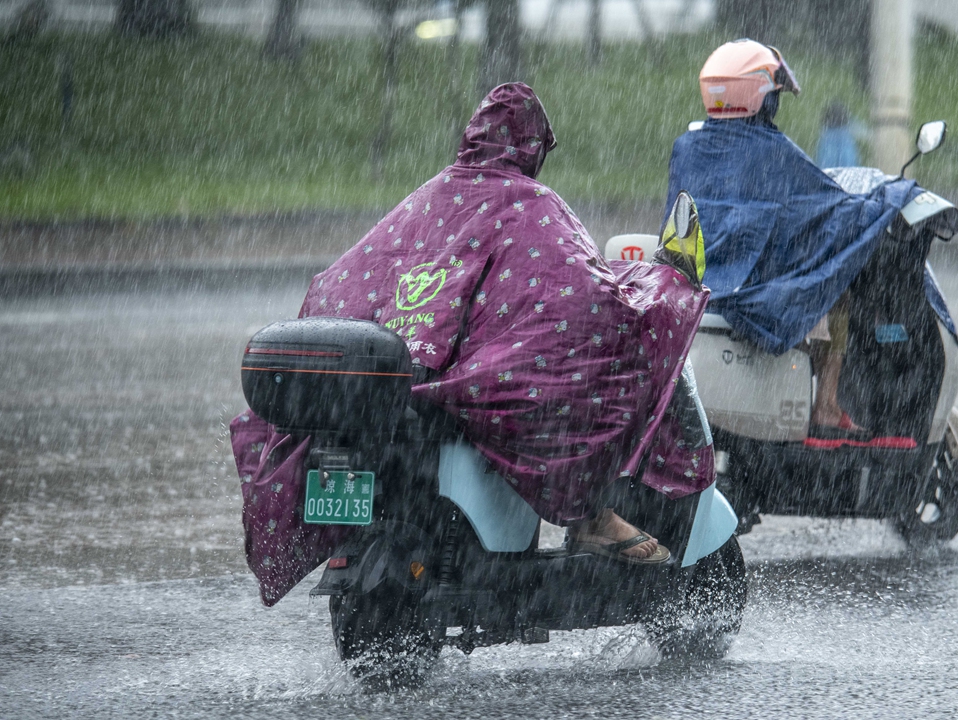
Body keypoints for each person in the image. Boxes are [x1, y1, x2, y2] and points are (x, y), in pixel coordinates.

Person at [231, 83, 713, 604]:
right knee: (581, 392)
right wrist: (648, 296)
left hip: (409, 377)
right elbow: (582, 294)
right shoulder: (531, 203)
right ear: (531, 147)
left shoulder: (431, 195)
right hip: (463, 382)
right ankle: (590, 514)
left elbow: (355, 275)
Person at [663, 39, 921, 439]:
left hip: (697, 281)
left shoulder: (687, 147)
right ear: (760, 97)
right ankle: (827, 406)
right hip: (753, 286)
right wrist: (890, 200)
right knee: (835, 290)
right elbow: (832, 208)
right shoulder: (773, 151)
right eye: (773, 94)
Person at [815, 101, 863, 170]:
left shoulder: (826, 138)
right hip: (848, 173)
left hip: (828, 173)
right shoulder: (847, 138)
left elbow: (823, 165)